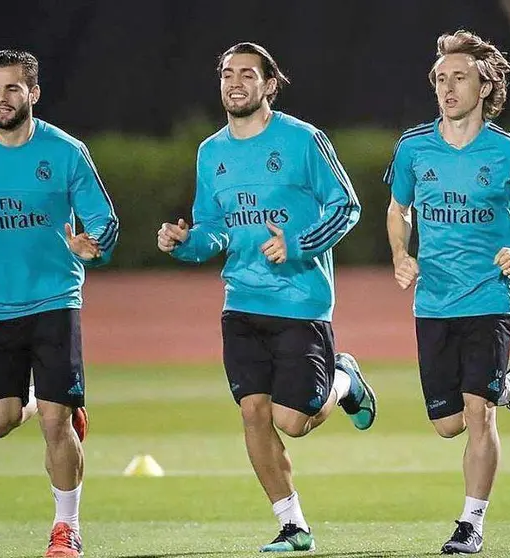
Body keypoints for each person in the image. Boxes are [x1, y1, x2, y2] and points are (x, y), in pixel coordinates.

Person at [156, 42, 376, 553]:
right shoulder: (210, 152)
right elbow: (213, 229)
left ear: (269, 85)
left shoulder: (303, 140)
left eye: (247, 74)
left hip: (301, 301)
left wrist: (298, 243)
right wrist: (187, 244)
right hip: (241, 303)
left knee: (293, 422)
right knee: (253, 411)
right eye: (227, 73)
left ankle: (345, 379)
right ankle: (292, 525)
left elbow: (348, 207)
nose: (235, 82)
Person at [0, 49, 119, 557]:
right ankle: (43, 399)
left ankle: (65, 529)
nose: (1, 98)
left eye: (13, 88)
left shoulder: (66, 151)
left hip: (56, 301)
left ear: (33, 93)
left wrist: (92, 244)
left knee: (56, 425)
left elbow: (104, 218)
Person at [384, 30, 510, 555]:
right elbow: (399, 209)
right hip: (433, 301)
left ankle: (470, 524)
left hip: (490, 298)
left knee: (478, 411)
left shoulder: (508, 152)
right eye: (440, 78)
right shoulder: (414, 148)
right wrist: (400, 254)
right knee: (447, 423)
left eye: (459, 77)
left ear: (484, 86)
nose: (447, 87)